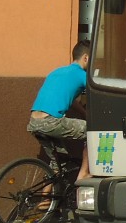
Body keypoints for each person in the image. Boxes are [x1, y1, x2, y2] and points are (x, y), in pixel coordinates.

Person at [27, 41, 91, 181]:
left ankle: (45, 200)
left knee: (57, 165)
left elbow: (69, 98)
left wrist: (83, 113)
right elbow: (99, 92)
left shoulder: (56, 72)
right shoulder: (82, 75)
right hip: (51, 122)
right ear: (86, 58)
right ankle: (84, 173)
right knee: (91, 132)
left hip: (34, 122)